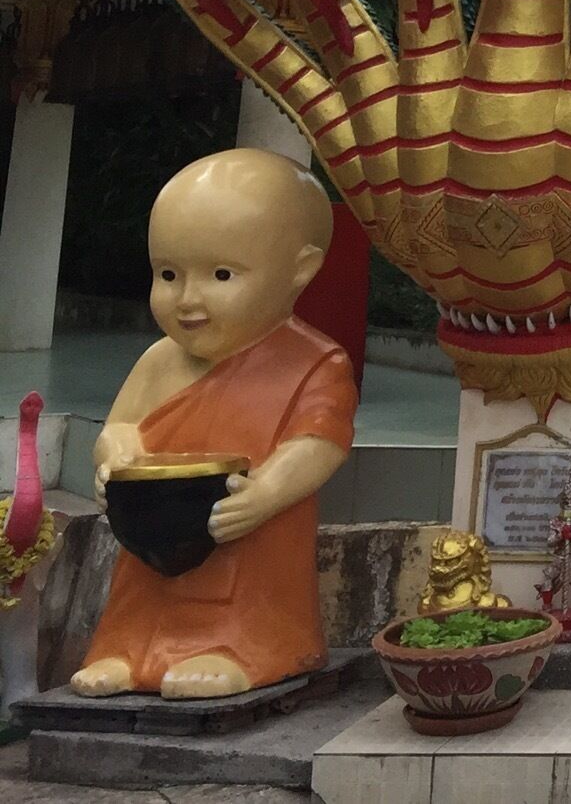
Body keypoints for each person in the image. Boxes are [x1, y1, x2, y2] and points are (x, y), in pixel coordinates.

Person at [73, 150, 358, 698]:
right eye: (168, 275)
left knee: (245, 579)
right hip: (156, 524)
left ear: (301, 269)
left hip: (243, 518)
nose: (188, 300)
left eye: (222, 275)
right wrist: (115, 456)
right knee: (141, 584)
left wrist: (267, 492)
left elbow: (319, 442)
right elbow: (121, 424)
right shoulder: (160, 359)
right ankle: (129, 652)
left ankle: (245, 650)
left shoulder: (316, 362)